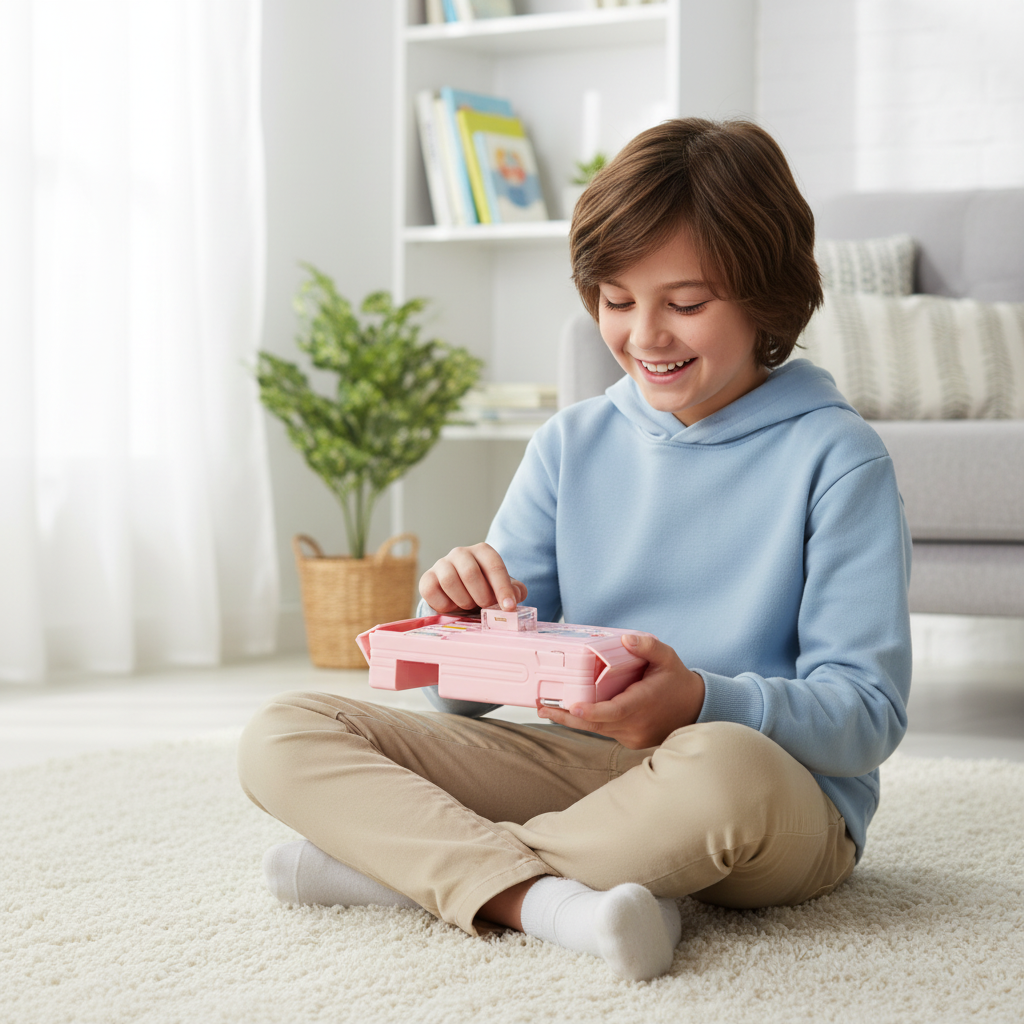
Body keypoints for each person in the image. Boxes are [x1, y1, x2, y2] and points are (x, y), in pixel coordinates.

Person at [237, 118, 912, 982]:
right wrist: (465, 632)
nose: (645, 336)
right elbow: (464, 707)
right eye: (617, 301)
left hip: (767, 795)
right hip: (585, 772)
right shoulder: (572, 442)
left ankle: (407, 872)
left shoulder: (836, 457)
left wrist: (700, 701)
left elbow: (865, 718)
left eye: (687, 303)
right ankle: (557, 902)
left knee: (723, 767)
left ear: (767, 298)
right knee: (286, 730)